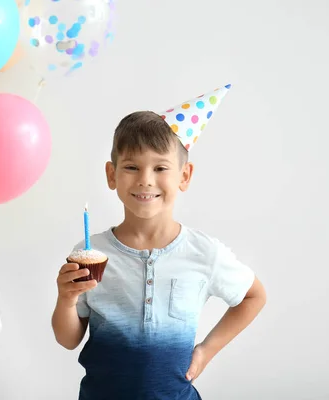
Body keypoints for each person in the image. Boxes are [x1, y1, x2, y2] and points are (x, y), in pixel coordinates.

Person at [51, 85, 267, 400]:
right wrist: (66, 299)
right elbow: (69, 339)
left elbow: (253, 297)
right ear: (111, 175)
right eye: (131, 167)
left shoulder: (203, 253)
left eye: (161, 168)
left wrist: (206, 351)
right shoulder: (90, 254)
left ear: (184, 175)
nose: (146, 179)